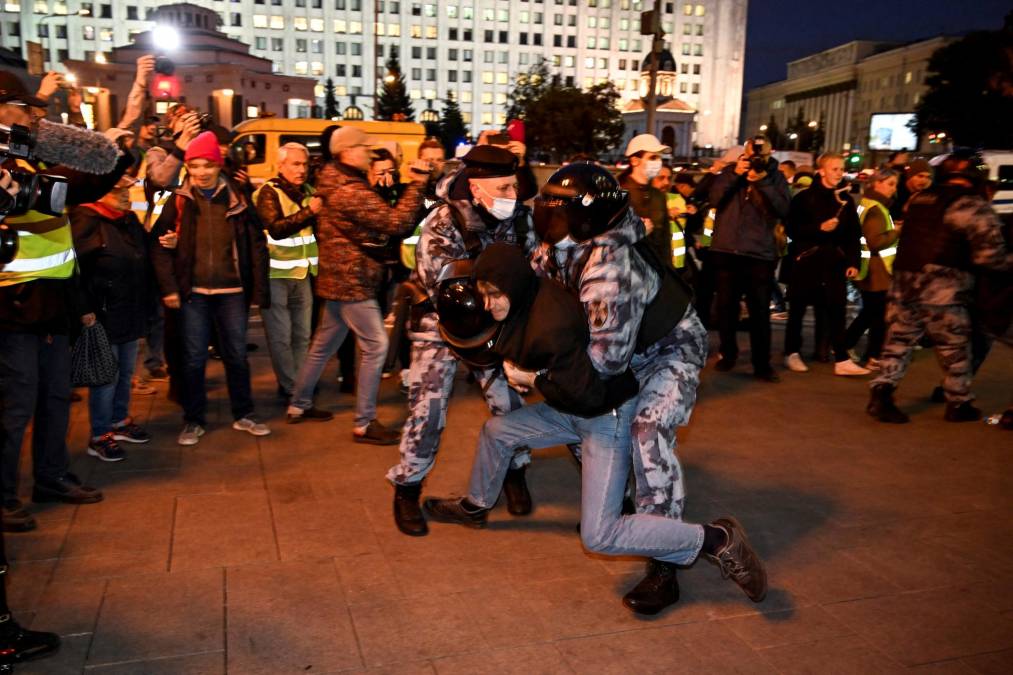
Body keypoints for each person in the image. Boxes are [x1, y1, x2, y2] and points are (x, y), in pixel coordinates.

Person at [423, 243, 768, 611]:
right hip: (571, 405)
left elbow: (589, 394)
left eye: (495, 293)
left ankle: (716, 539)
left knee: (600, 536)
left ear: (513, 282)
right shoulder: (521, 301)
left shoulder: (549, 322)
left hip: (606, 414)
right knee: (497, 432)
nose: (489, 304)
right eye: (484, 294)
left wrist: (534, 377)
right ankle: (475, 506)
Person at [530, 162, 710, 614]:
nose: (549, 221)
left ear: (587, 218)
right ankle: (621, 507)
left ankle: (664, 561)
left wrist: (538, 372)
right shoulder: (567, 242)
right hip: (620, 349)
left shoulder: (612, 266)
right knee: (582, 414)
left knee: (647, 432)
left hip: (670, 351)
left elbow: (605, 362)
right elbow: (536, 275)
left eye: (560, 211)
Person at [0, 78, 132, 532]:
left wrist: (117, 148)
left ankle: (51, 477)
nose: (35, 115)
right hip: (12, 304)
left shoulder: (30, 156)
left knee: (55, 396)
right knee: (16, 405)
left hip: (53, 301)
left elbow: (82, 186)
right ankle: (3, 496)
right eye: (26, 107)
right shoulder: (6, 164)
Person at [386, 145, 535, 537]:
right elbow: (446, 290)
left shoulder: (520, 219)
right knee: (428, 412)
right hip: (440, 325)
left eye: (513, 186)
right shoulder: (442, 222)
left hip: (495, 324)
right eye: (503, 187)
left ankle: (515, 473)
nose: (512, 195)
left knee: (509, 404)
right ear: (476, 188)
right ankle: (407, 488)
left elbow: (536, 268)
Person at [286, 126, 428, 438]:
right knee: (377, 345)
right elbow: (396, 222)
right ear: (347, 152)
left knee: (323, 345)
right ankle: (364, 423)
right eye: (364, 147)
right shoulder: (350, 190)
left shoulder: (334, 181)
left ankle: (299, 403)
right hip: (353, 280)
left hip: (338, 278)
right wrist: (417, 185)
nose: (369, 153)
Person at [867, 151, 1011, 424]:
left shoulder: (919, 199)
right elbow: (990, 258)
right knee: (955, 348)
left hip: (904, 285)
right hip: (944, 290)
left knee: (897, 343)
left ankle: (881, 393)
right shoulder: (972, 207)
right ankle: (958, 403)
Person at [149, 131, 271, 445]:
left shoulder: (239, 197)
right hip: (194, 293)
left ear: (219, 166)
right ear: (188, 167)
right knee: (192, 358)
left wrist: (258, 288)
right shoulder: (179, 200)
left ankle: (244, 414)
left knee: (236, 356)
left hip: (232, 292)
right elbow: (159, 246)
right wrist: (169, 288)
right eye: (195, 166)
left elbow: (257, 244)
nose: (201, 172)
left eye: (208, 165)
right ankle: (193, 420)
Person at [69, 135, 154, 462]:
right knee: (106, 375)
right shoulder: (86, 219)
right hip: (101, 315)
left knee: (124, 371)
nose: (125, 194)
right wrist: (84, 310)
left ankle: (119, 420)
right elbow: (73, 269)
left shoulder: (127, 220)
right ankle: (99, 433)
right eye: (118, 189)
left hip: (128, 310)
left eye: (126, 188)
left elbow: (142, 253)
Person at [707, 136, 791, 381]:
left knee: (760, 312)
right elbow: (713, 198)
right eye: (752, 154)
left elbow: (784, 209)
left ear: (769, 153)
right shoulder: (732, 172)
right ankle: (728, 353)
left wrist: (762, 182)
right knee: (726, 308)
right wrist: (735, 173)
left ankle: (761, 363)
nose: (756, 159)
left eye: (761, 154)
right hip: (727, 251)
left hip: (759, 254)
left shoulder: (775, 177)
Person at [782, 153, 869, 376]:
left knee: (837, 310)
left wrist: (853, 261)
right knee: (798, 310)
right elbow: (791, 229)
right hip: (807, 261)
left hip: (834, 263)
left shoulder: (846, 200)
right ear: (821, 171)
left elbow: (853, 234)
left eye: (841, 169)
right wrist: (818, 228)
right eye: (834, 169)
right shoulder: (804, 198)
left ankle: (841, 358)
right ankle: (792, 352)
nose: (839, 173)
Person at [252, 142, 323, 400]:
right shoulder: (269, 192)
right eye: (295, 164)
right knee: (281, 337)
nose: (301, 169)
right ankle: (291, 387)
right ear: (280, 166)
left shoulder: (308, 191)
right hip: (276, 275)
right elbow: (276, 229)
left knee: (303, 335)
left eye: (304, 164)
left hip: (303, 273)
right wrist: (309, 212)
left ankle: (300, 383)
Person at [844, 169, 901, 369]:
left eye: (895, 184)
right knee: (878, 316)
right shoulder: (877, 209)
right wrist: (895, 232)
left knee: (869, 313)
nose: (893, 188)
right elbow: (875, 241)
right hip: (877, 271)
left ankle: (845, 345)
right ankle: (873, 356)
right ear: (876, 184)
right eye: (890, 183)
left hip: (870, 268)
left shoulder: (866, 204)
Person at [618, 134, 671, 264]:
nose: (658, 162)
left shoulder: (658, 196)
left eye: (659, 158)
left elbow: (665, 241)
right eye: (653, 157)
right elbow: (604, 239)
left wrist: (667, 273)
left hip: (653, 272)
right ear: (634, 161)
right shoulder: (617, 193)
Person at [889, 158, 933, 223]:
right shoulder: (894, 192)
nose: (924, 181)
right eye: (920, 176)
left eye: (928, 177)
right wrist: (905, 209)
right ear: (910, 176)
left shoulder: (927, 194)